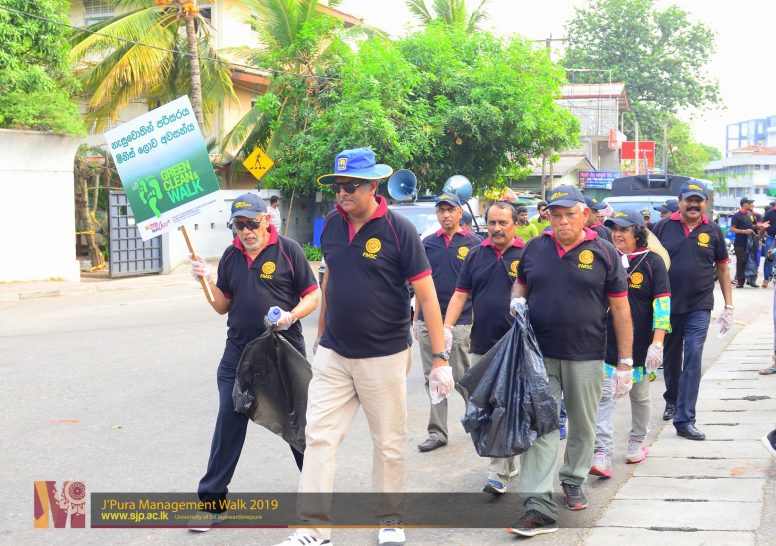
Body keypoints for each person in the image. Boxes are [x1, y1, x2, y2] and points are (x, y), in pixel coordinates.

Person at [277, 148, 454, 546]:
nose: (342, 193)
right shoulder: (332, 226)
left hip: (384, 355)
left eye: (351, 186)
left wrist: (440, 358)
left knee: (388, 442)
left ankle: (390, 519)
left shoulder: (398, 230)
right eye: (338, 186)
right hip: (335, 353)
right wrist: (321, 332)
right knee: (318, 436)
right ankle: (312, 530)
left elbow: (428, 297)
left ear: (373, 186)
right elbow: (331, 279)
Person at [506, 185, 632, 537]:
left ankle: (573, 478)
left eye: (569, 214)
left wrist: (625, 361)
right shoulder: (535, 247)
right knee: (541, 426)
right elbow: (521, 283)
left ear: (584, 215)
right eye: (556, 215)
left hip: (587, 354)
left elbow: (621, 309)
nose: (562, 221)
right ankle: (538, 507)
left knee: (583, 425)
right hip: (540, 355)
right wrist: (516, 299)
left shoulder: (604, 252)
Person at [189, 193, 320, 531]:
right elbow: (222, 305)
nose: (246, 231)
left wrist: (291, 316)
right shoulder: (231, 256)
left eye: (251, 223)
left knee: (297, 425)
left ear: (265, 220)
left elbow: (313, 295)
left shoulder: (288, 250)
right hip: (239, 354)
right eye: (239, 225)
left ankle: (317, 499)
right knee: (229, 420)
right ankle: (212, 503)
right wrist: (204, 279)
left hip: (281, 352)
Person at [444, 201, 524, 495]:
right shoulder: (475, 255)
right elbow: (460, 295)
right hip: (482, 344)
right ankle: (504, 464)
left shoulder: (527, 254)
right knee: (488, 407)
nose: (497, 228)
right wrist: (446, 327)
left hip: (517, 345)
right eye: (492, 223)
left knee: (510, 405)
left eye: (503, 223)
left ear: (515, 224)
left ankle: (499, 471)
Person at [590, 210, 671, 478]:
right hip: (607, 343)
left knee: (640, 396)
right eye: (614, 229)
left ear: (638, 233)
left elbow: (662, 304)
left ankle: (637, 440)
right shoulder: (606, 258)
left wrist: (657, 342)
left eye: (624, 229)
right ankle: (602, 452)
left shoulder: (653, 262)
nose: (617, 234)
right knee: (605, 397)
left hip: (641, 344)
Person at [652, 180, 734, 440]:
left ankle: (685, 419)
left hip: (699, 304)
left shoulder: (713, 230)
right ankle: (672, 399)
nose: (694, 204)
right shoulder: (663, 227)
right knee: (670, 357)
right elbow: (649, 262)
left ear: (705, 204)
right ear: (680, 202)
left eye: (699, 200)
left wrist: (729, 304)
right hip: (667, 304)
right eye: (689, 200)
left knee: (694, 355)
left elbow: (722, 268)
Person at [414, 192, 482, 453]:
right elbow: (418, 284)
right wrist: (416, 318)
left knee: (463, 377)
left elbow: (478, 286)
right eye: (441, 210)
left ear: (459, 212)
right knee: (432, 377)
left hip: (461, 322)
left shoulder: (474, 243)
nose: (446, 215)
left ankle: (478, 420)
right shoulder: (428, 243)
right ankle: (437, 432)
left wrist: (475, 322)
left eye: (450, 210)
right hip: (428, 322)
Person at [730, 197, 768, 288]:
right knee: (741, 262)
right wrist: (744, 231)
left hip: (751, 242)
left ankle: (751, 281)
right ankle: (740, 281)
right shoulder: (736, 216)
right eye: (749, 203)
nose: (751, 205)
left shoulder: (751, 214)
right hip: (740, 243)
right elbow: (732, 229)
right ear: (744, 204)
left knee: (753, 260)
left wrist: (762, 225)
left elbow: (755, 225)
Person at [762, 201, 776, 287]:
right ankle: (766, 279)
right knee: (769, 257)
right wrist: (763, 234)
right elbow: (763, 224)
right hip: (771, 237)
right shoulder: (770, 212)